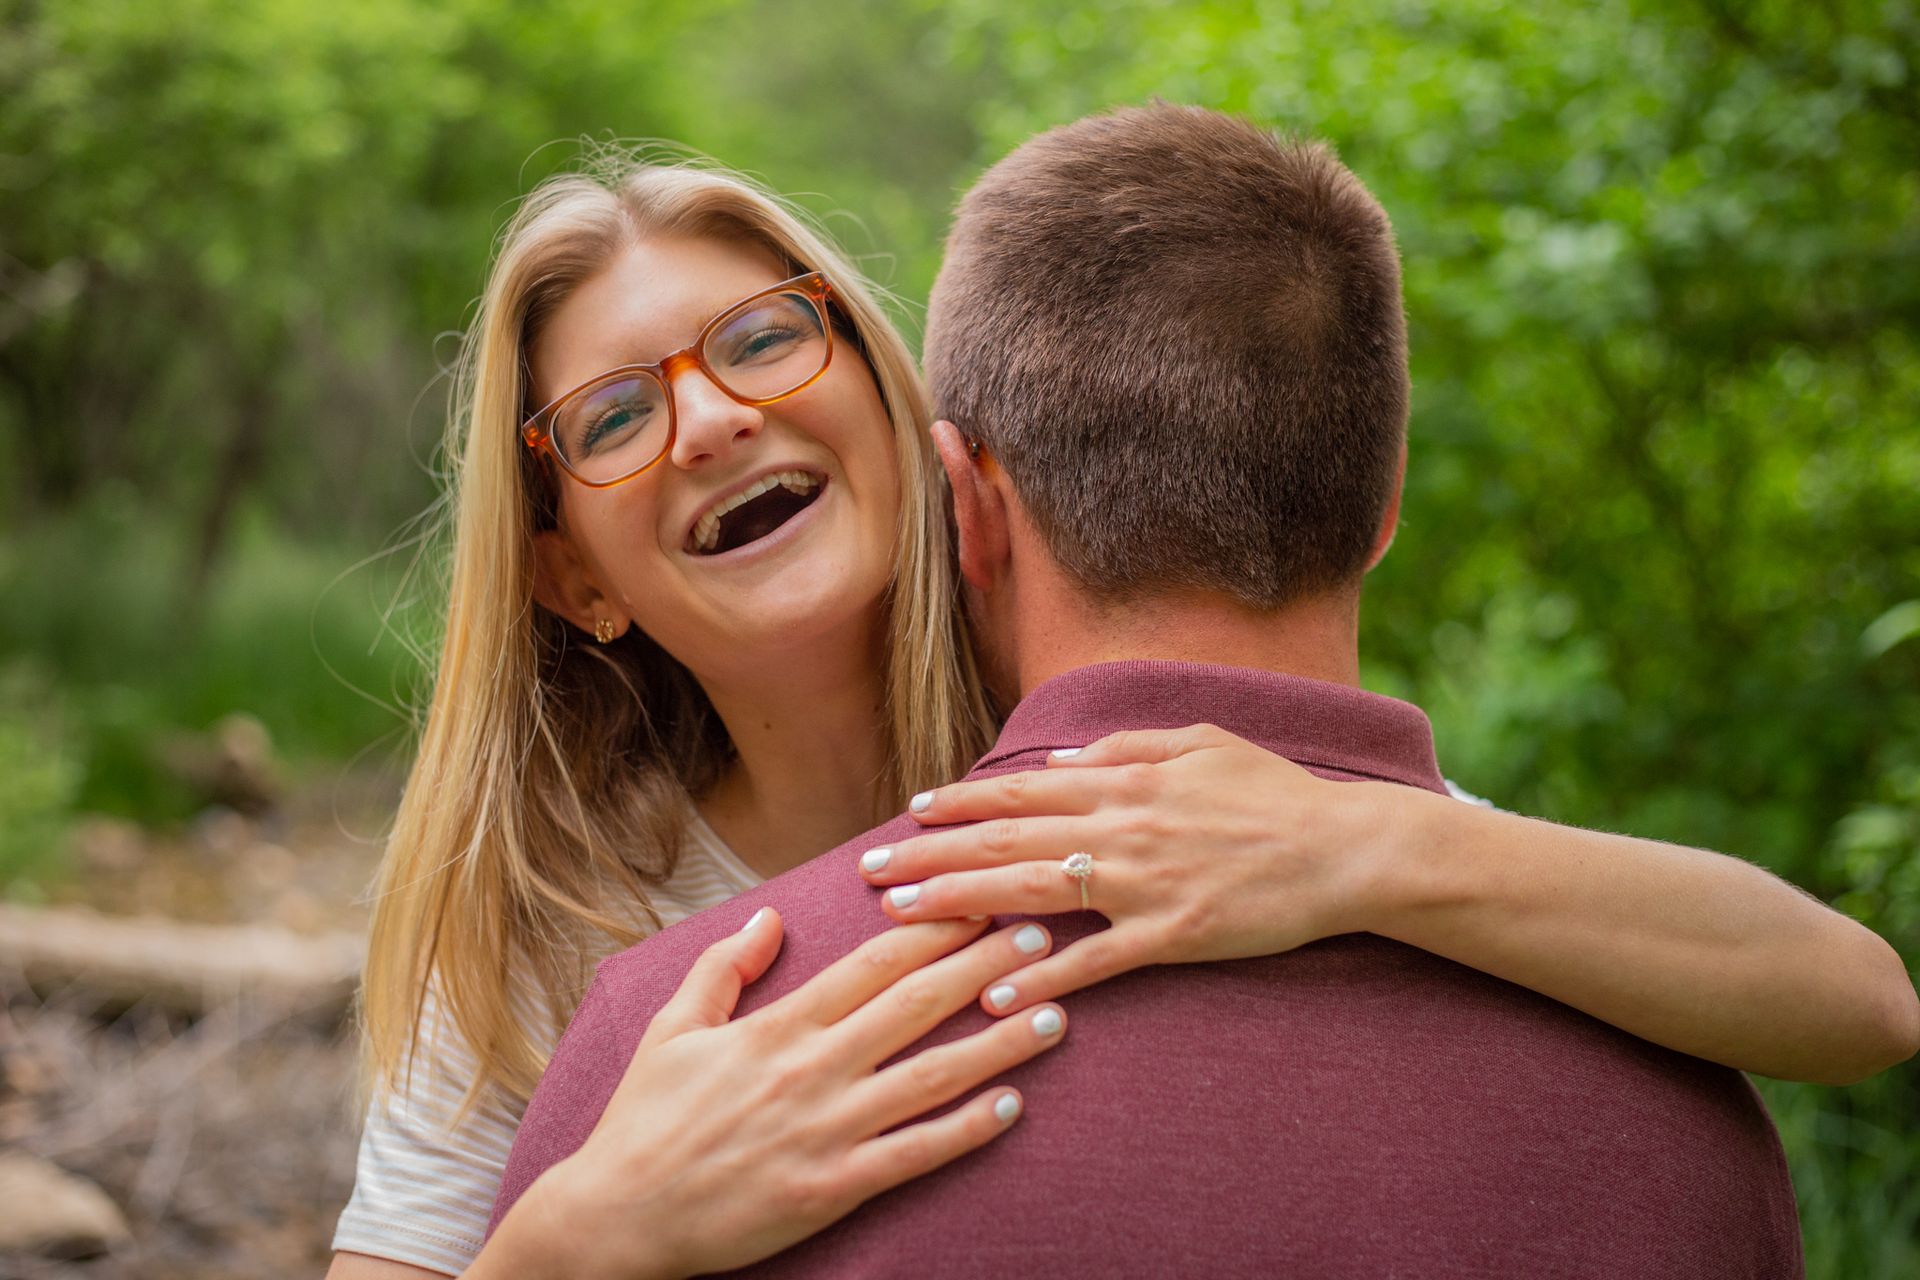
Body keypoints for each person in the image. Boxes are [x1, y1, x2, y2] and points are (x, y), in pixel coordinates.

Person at [329, 129, 1918, 1276]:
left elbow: (1852, 999)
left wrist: (1358, 853)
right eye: (614, 415)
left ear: (933, 451)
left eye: (759, 339)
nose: (709, 421)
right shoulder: (542, 937)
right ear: (573, 580)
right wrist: (574, 1245)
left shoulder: (1201, 803)